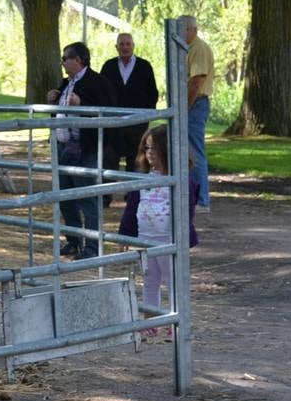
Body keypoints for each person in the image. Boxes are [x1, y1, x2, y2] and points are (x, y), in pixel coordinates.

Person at [118, 125, 198, 339]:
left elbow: (187, 211)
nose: (149, 153)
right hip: (146, 240)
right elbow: (131, 207)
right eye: (146, 148)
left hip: (168, 241)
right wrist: (125, 233)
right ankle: (150, 321)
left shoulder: (181, 181)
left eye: (154, 149)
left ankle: (175, 322)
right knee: (150, 281)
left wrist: (185, 237)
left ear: (168, 150)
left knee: (173, 282)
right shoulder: (144, 180)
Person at [47, 41, 117, 259]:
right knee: (65, 196)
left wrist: (83, 104)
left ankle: (93, 246)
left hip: (85, 149)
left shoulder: (97, 81)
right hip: (65, 147)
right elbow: (63, 108)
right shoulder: (67, 82)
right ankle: (73, 240)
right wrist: (54, 100)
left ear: (78, 60)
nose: (62, 62)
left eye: (65, 58)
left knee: (87, 197)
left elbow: (108, 110)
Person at [100, 32, 159, 174]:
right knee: (109, 160)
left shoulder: (144, 66)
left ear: (133, 46)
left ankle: (133, 195)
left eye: (128, 44)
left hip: (137, 123)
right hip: (113, 124)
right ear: (116, 47)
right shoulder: (109, 66)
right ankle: (106, 195)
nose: (125, 47)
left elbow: (152, 94)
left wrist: (145, 117)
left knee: (136, 161)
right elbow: (101, 92)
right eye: (121, 44)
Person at [180, 15, 214, 212]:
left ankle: (201, 200)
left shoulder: (199, 48)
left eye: (182, 29)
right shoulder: (189, 48)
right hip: (192, 102)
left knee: (194, 150)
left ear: (192, 29)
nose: (180, 34)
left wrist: (184, 107)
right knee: (188, 150)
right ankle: (193, 196)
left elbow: (196, 81)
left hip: (196, 103)